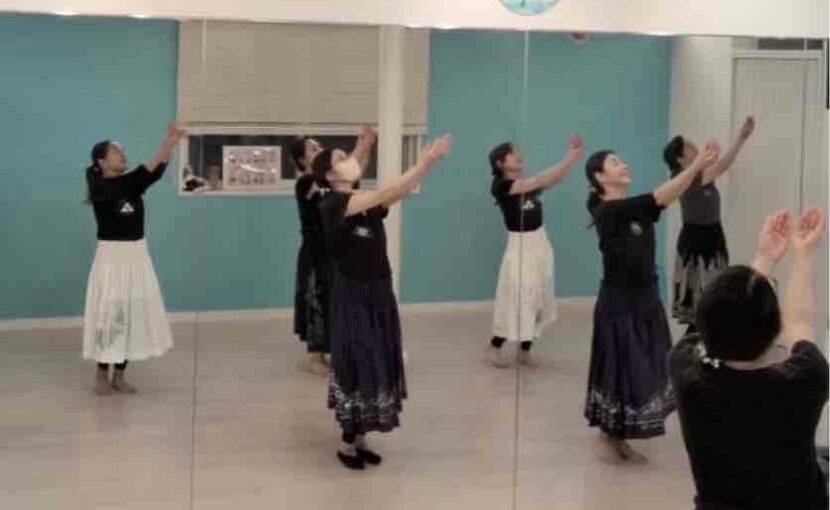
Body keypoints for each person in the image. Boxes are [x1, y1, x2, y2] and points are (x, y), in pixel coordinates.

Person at [669, 208, 829, 509]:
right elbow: (799, 322)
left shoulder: (686, 370)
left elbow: (721, 320)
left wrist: (763, 259)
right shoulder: (805, 379)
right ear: (775, 331)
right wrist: (802, 254)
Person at [313, 134, 452, 470]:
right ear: (329, 175)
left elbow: (397, 191)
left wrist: (423, 166)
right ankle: (347, 442)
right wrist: (424, 162)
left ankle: (361, 437)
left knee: (376, 358)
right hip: (353, 293)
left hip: (378, 289)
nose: (349, 160)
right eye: (341, 158)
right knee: (358, 359)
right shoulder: (332, 204)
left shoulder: (362, 199)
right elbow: (386, 191)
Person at [583, 142, 719, 463]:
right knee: (621, 368)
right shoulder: (607, 212)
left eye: (621, 159)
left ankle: (619, 434)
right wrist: (695, 165)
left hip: (645, 299)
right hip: (619, 304)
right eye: (614, 162)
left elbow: (665, 197)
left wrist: (696, 169)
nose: (622, 164)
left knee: (645, 365)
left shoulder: (633, 208)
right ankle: (609, 436)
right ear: (600, 178)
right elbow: (661, 195)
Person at [83, 123, 185, 395]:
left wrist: (170, 144)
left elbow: (154, 171)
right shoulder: (102, 188)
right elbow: (141, 175)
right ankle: (101, 372)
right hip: (111, 259)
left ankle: (120, 375)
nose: (122, 154)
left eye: (123, 150)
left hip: (137, 256)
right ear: (101, 162)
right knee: (111, 316)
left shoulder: (131, 185)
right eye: (115, 151)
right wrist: (167, 142)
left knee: (131, 313)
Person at [487, 134, 583, 368]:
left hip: (540, 243)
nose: (519, 155)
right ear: (500, 162)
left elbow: (553, 178)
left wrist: (571, 159)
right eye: (513, 153)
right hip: (520, 245)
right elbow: (540, 179)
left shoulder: (529, 184)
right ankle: (494, 346)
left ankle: (525, 350)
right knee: (519, 296)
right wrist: (569, 157)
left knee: (539, 297)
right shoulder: (501, 186)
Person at [289, 128, 376, 375]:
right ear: (302, 160)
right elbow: (339, 173)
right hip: (315, 254)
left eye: (319, 146)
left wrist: (365, 148)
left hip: (335, 251)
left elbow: (353, 174)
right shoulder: (306, 183)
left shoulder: (332, 181)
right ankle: (314, 355)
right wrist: (358, 149)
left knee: (334, 300)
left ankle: (333, 349)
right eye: (312, 149)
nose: (319, 149)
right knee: (315, 300)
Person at [664, 116, 756, 332]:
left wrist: (739, 139)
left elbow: (717, 164)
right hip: (697, 244)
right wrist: (741, 137)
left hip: (713, 237)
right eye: (687, 146)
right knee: (704, 305)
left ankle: (704, 341)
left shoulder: (699, 174)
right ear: (680, 158)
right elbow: (722, 164)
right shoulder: (686, 177)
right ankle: (698, 345)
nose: (693, 146)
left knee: (711, 303)